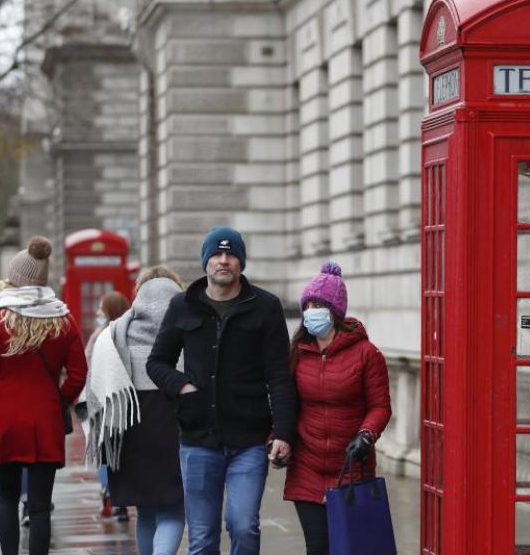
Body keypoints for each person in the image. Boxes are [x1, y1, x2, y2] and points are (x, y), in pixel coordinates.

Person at [147, 226, 298, 555]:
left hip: (249, 441)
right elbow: (157, 363)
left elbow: (279, 375)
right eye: (217, 254)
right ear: (206, 261)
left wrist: (284, 433)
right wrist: (183, 386)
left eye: (231, 255)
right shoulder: (182, 306)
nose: (224, 261)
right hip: (198, 441)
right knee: (202, 537)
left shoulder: (266, 307)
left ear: (241, 262)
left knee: (244, 526)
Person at [0, 236, 88, 555]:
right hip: (46, 420)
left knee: (6, 498)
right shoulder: (64, 319)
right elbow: (78, 374)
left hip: (5, 417)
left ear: (15, 278)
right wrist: (60, 398)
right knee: (39, 507)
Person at [283, 262, 392, 555]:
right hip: (307, 466)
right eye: (307, 305)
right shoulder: (298, 354)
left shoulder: (367, 354)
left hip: (350, 467)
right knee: (317, 547)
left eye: (318, 304)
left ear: (336, 311)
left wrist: (366, 434)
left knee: (350, 548)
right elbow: (285, 404)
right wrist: (276, 439)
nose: (311, 311)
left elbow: (380, 406)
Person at [84, 266, 185, 555]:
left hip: (128, 428)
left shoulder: (113, 333)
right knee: (173, 509)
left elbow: (96, 390)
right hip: (175, 427)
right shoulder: (190, 329)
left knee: (146, 511)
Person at [80, 290, 131, 520]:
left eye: (102, 308)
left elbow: (86, 365)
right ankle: (123, 498)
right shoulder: (130, 334)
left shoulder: (99, 335)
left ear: (109, 310)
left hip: (99, 401)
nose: (99, 312)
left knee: (105, 451)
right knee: (125, 449)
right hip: (125, 400)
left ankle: (108, 491)